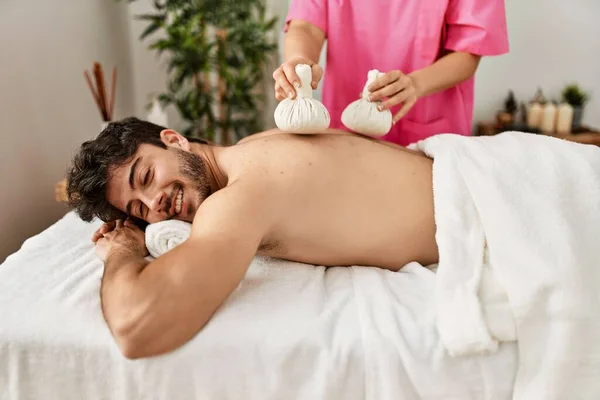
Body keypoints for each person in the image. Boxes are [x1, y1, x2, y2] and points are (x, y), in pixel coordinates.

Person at [66, 117, 438, 359]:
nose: (155, 203)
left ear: (174, 139)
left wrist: (121, 251)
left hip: (477, 202)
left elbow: (135, 328)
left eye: (145, 177)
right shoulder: (255, 142)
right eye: (140, 211)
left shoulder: (239, 199)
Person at [274, 0, 509, 146]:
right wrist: (299, 60)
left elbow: (468, 53)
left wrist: (415, 84)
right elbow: (305, 25)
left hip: (431, 133)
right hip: (344, 134)